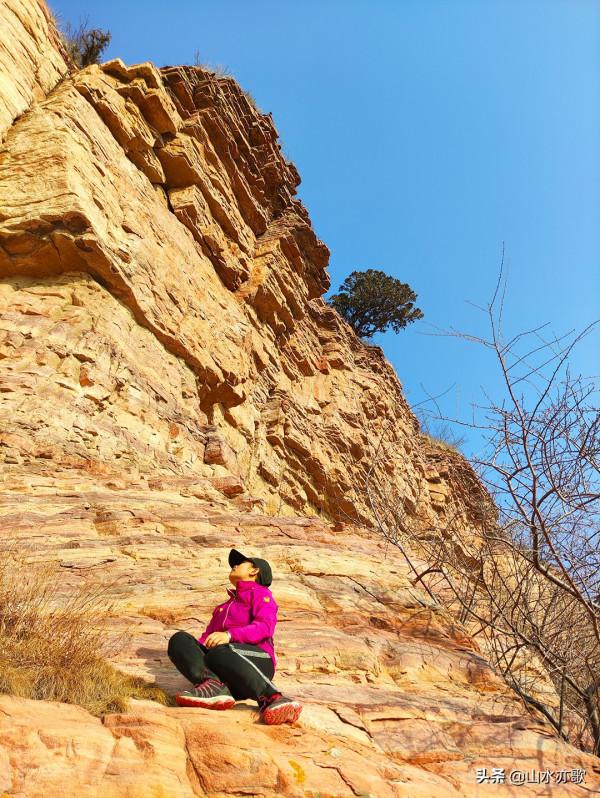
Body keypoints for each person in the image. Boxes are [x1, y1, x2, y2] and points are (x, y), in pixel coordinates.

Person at [167, 547, 302, 725]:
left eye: (240, 563)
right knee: (179, 640)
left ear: (254, 571)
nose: (235, 565)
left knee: (219, 651)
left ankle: (273, 697)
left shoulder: (261, 594)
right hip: (227, 673)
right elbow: (206, 638)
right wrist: (195, 652)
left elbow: (265, 627)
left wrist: (230, 635)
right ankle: (213, 686)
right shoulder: (223, 607)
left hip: (257, 661)